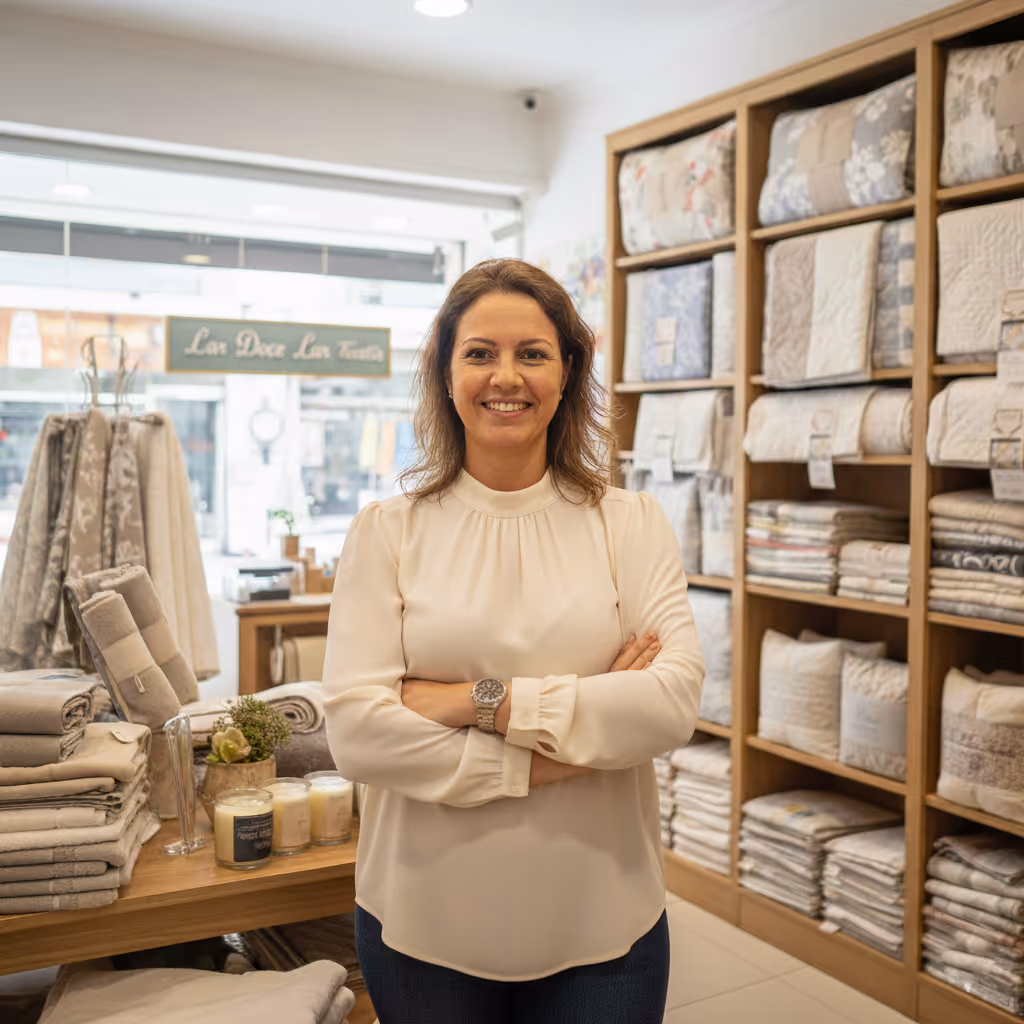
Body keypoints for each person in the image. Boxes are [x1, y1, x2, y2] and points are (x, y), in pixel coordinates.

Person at [323, 258, 705, 1023]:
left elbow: (669, 705)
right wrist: (565, 746)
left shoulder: (629, 524)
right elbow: (358, 734)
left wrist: (465, 700)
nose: (506, 376)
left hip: (605, 922)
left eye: (532, 353)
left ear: (567, 373)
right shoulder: (387, 532)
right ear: (446, 375)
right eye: (480, 353)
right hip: (422, 922)